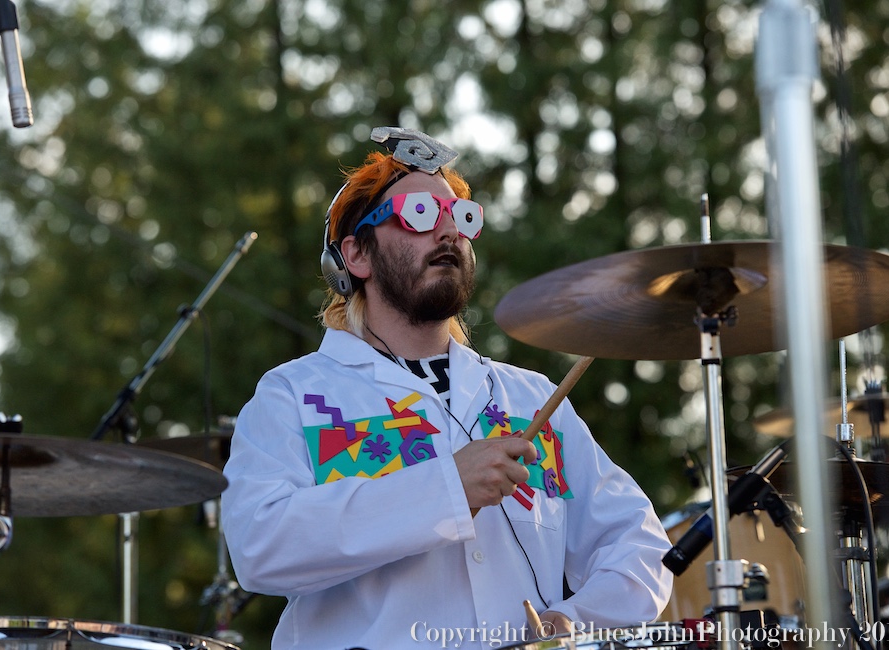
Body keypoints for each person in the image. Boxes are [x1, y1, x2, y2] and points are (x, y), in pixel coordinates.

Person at [221, 127, 673, 649]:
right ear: (356, 256)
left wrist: (577, 620)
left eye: (461, 216)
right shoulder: (293, 395)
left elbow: (638, 541)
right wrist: (446, 489)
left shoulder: (531, 399)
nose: (447, 232)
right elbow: (259, 548)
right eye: (419, 214)